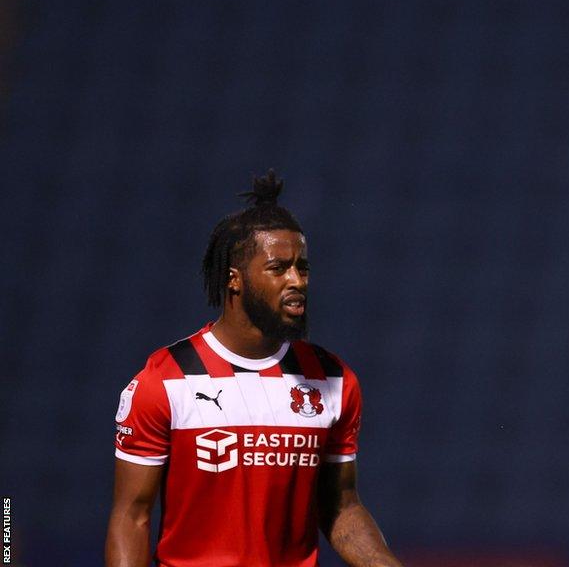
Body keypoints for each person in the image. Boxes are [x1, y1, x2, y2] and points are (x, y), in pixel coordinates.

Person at [105, 172, 403, 567]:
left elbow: (341, 506)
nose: (297, 281)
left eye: (303, 268)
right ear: (235, 280)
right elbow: (132, 516)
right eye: (278, 268)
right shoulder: (165, 379)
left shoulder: (333, 379)